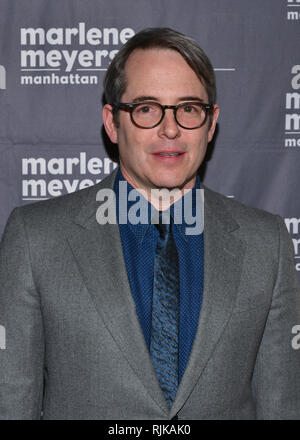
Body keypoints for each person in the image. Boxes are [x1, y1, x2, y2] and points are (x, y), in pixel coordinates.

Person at [0, 27, 300, 420]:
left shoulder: (268, 244)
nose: (170, 128)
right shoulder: (35, 238)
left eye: (189, 108)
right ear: (112, 122)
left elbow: (281, 406)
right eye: (146, 108)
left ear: (211, 124)